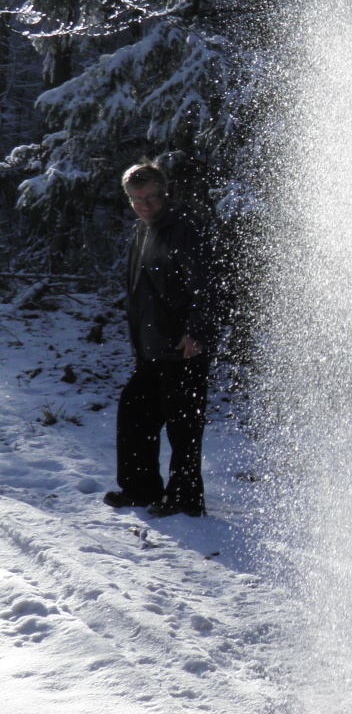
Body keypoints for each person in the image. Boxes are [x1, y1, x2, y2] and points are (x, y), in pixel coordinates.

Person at [102, 161, 215, 518]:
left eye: (150, 197)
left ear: (164, 193)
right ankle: (141, 489)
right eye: (137, 199)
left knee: (183, 429)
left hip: (182, 348)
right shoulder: (143, 229)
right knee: (135, 414)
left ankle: (185, 499)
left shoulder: (184, 228)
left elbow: (206, 285)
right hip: (152, 349)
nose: (144, 205)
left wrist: (196, 332)